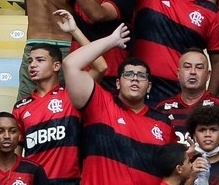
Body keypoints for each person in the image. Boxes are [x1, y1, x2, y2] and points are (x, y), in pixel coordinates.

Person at [62, 23, 175, 185]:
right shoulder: (100, 103)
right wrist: (111, 41)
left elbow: (172, 173)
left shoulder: (164, 123)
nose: (135, 78)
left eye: (141, 76)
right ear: (117, 83)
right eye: (128, 74)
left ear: (149, 86)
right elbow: (71, 64)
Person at [12, 44, 80, 185]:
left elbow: (100, 67)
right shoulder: (20, 107)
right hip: (35, 181)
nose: (32, 65)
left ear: (56, 66)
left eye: (40, 60)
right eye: (30, 61)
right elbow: (15, 155)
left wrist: (75, 31)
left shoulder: (71, 95)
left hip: (71, 182)